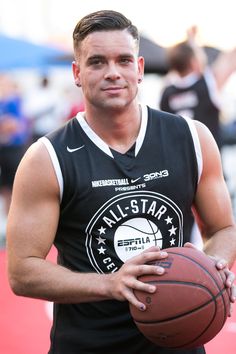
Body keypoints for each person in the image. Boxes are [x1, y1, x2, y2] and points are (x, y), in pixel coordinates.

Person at [6, 10, 236, 354]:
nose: (113, 72)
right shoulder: (47, 158)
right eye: (97, 62)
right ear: (77, 73)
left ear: (139, 69)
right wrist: (110, 284)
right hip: (88, 343)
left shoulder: (192, 138)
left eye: (123, 60)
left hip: (177, 342)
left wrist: (211, 268)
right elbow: (21, 272)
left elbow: (224, 230)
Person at [159, 26, 236, 150]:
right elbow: (228, 60)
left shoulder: (166, 92)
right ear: (194, 62)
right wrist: (192, 42)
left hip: (181, 160)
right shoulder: (207, 83)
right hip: (209, 161)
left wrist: (191, 41)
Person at [0, 74, 29, 244]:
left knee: (13, 188)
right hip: (4, 150)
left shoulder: (13, 101)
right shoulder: (5, 102)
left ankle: (13, 227)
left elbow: (14, 126)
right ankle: (6, 224)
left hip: (13, 150)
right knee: (5, 189)